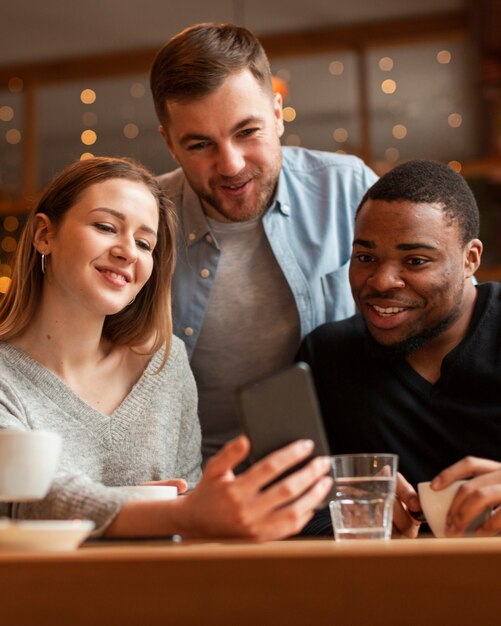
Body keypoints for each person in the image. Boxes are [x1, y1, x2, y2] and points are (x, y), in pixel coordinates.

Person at [0, 156, 333, 540]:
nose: (128, 252)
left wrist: (192, 509)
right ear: (44, 234)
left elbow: (186, 502)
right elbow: (32, 495)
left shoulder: (164, 363)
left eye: (145, 243)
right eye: (106, 227)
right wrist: (181, 513)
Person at [149, 23, 378, 464]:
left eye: (247, 132)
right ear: (170, 145)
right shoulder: (146, 221)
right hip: (196, 485)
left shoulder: (351, 191)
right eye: (200, 145)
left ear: (277, 113)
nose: (231, 165)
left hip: (336, 475)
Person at [298, 159, 501, 533]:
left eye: (415, 261)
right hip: (380, 586)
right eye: (366, 258)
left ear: (470, 259)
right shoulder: (326, 358)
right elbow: (288, 512)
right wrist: (350, 521)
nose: (382, 280)